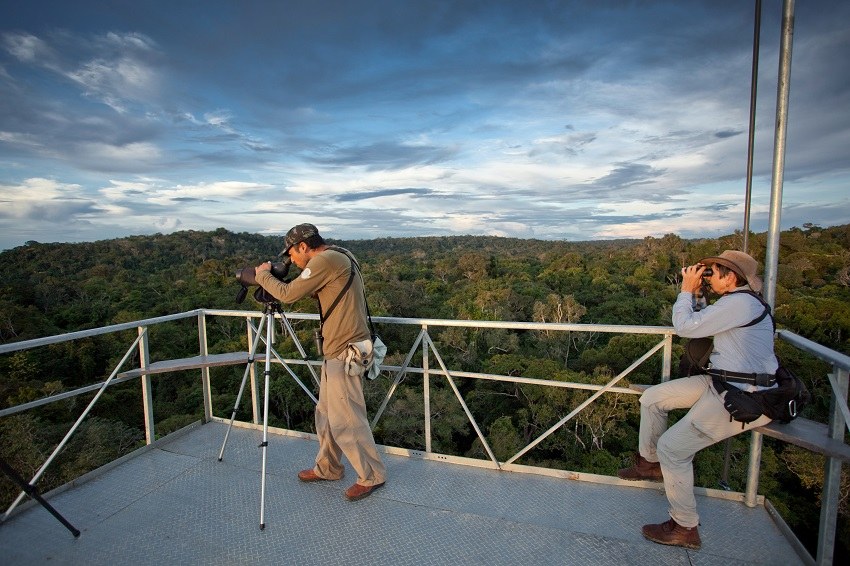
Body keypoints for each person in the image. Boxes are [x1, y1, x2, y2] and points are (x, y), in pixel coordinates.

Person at [618, 250, 777, 550]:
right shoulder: (735, 302)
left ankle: (684, 526)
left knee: (673, 448)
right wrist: (699, 297)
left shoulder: (741, 303)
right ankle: (649, 464)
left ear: (731, 277)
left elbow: (686, 328)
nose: (707, 275)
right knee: (652, 399)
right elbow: (703, 321)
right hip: (722, 381)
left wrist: (685, 292)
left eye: (712, 271)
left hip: (745, 395)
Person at [254, 223, 387, 501]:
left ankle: (372, 475)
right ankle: (328, 467)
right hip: (337, 349)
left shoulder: (326, 259)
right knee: (326, 415)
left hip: (344, 349)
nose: (291, 261)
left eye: (292, 254)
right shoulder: (341, 254)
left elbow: (288, 294)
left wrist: (263, 276)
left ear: (303, 246)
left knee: (347, 419)